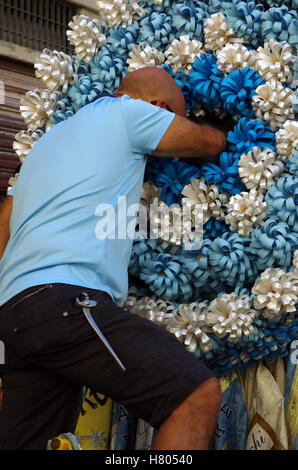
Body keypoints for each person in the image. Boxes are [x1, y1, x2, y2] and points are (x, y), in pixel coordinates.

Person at [0, 67, 225, 450]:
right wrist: (222, 129)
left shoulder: (47, 144)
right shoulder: (127, 114)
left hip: (15, 312)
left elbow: (4, 225)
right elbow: (206, 142)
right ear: (159, 108)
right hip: (66, 303)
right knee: (194, 395)